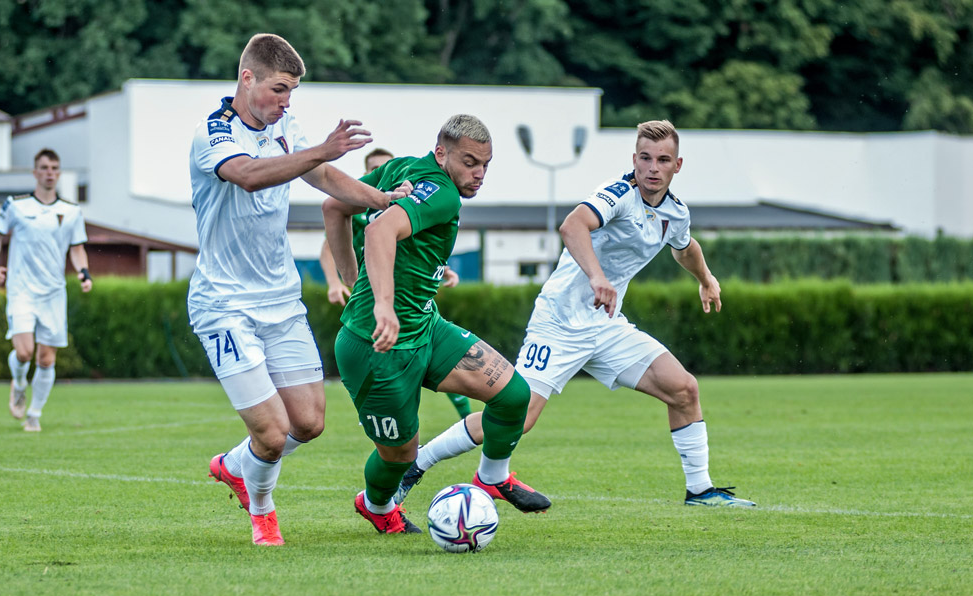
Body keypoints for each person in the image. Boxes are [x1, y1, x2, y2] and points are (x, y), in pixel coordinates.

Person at [396, 120, 755, 508]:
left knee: (684, 389)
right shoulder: (618, 194)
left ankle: (700, 491)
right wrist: (597, 277)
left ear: (677, 165)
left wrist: (706, 278)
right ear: (634, 160)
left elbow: (684, 248)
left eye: (663, 160)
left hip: (606, 325)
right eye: (646, 158)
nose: (653, 167)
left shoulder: (675, 212)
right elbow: (572, 225)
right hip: (560, 322)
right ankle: (418, 463)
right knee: (520, 415)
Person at [190, 33, 412, 546]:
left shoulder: (284, 125)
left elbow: (326, 176)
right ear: (247, 79)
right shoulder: (214, 131)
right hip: (224, 305)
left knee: (308, 423)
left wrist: (381, 198)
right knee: (270, 432)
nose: (286, 102)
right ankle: (262, 512)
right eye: (279, 89)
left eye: (291, 92)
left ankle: (234, 466)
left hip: (281, 302)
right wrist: (319, 151)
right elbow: (247, 175)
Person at [323, 114, 550, 535]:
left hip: (427, 328)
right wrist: (382, 306)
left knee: (514, 395)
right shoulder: (442, 193)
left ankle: (494, 477)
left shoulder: (400, 167)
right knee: (400, 456)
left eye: (485, 164)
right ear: (442, 152)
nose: (478, 174)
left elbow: (334, 207)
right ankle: (375, 505)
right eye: (469, 162)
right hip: (377, 347)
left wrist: (351, 278)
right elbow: (377, 234)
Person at [319, 147, 473, 420]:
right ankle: (388, 425)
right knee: (379, 355)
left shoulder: (406, 205)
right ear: (367, 173)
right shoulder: (356, 213)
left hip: (405, 299)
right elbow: (328, 247)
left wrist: (443, 269)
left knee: (438, 355)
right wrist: (341, 282)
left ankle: (460, 416)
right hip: (373, 301)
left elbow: (416, 250)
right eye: (373, 168)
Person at [0, 148, 93, 433]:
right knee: (24, 352)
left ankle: (34, 414)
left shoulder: (71, 212)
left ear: (58, 173)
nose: (49, 173)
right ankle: (19, 384)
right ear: (35, 172)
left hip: (53, 293)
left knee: (46, 358)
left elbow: (77, 249)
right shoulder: (16, 206)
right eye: (44, 167)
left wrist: (84, 273)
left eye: (54, 168)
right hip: (21, 291)